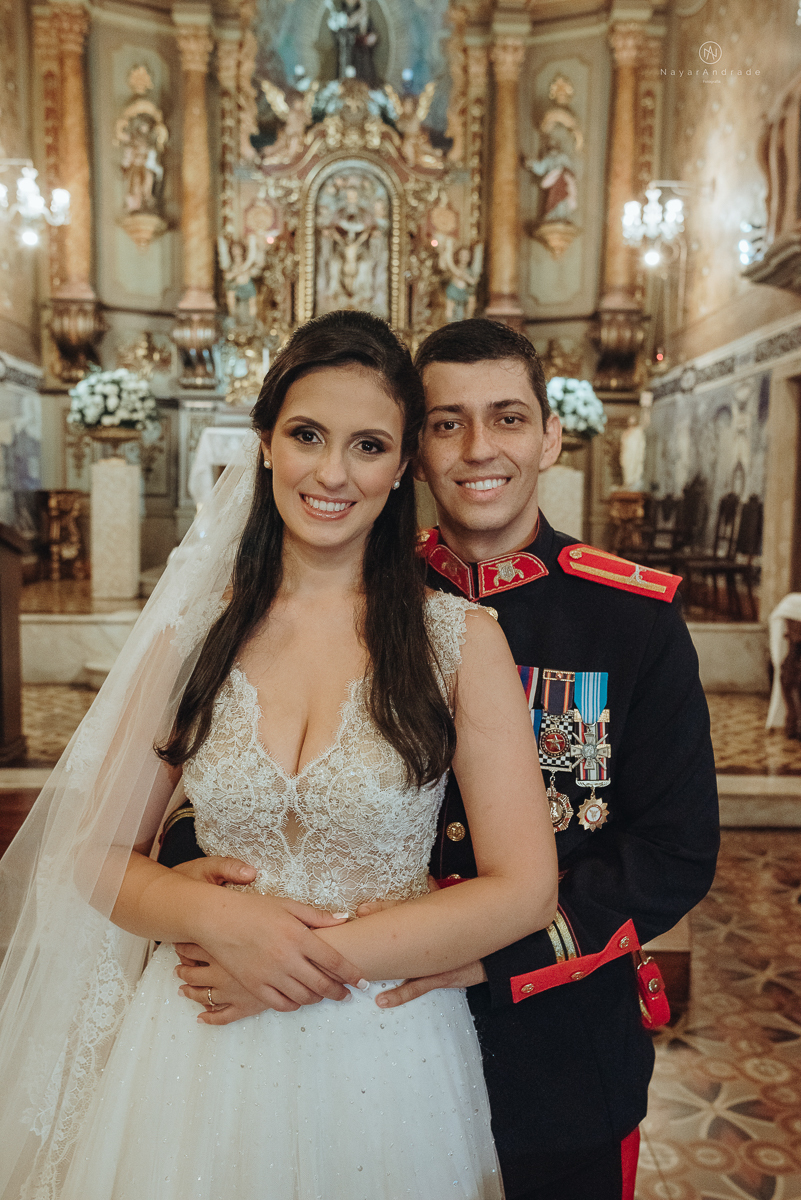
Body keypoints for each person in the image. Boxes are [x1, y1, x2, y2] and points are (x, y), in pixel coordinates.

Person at [0, 311, 558, 1200]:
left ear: (402, 466)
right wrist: (214, 918)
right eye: (306, 435)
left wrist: (296, 961)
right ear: (264, 444)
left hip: (384, 1047)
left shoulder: (458, 641)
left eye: (368, 445)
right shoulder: (195, 634)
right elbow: (95, 855)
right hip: (195, 1035)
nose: (332, 473)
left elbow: (524, 887)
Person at [173, 318, 719, 1200]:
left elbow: (673, 850)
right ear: (413, 454)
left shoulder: (628, 618)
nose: (477, 449)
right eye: (444, 422)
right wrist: (199, 883)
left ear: (549, 437)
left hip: (555, 1049)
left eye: (507, 418)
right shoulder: (347, 590)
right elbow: (239, 770)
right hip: (340, 1036)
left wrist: (497, 954)